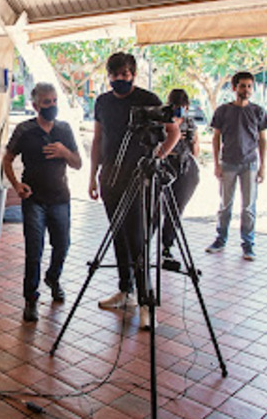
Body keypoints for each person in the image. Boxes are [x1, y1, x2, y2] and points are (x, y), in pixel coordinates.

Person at [88, 52, 180, 330]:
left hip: (139, 179)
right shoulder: (102, 102)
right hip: (110, 179)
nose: (119, 80)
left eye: (125, 75)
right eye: (114, 75)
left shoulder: (148, 99)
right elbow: (97, 138)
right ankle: (125, 290)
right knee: (118, 236)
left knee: (138, 241)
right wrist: (93, 176)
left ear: (133, 74)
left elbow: (173, 131)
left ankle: (145, 301)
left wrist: (158, 156)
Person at [2, 82, 82, 322]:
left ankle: (53, 277)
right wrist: (16, 185)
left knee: (62, 245)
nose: (52, 106)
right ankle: (31, 299)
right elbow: (7, 159)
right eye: (47, 102)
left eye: (55, 101)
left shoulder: (64, 129)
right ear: (36, 105)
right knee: (33, 250)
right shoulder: (25, 130)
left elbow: (78, 163)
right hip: (34, 198)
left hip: (60, 198)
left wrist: (64, 153)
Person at [206, 72, 267, 261]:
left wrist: (262, 166)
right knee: (225, 205)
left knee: (248, 206)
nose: (246, 90)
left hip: (249, 164)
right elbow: (216, 137)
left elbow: (263, 140)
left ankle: (248, 245)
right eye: (242, 86)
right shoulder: (223, 111)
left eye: (249, 86)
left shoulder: (258, 111)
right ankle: (220, 239)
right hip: (228, 163)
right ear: (234, 88)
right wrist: (216, 164)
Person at [160, 89, 200, 261]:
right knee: (159, 205)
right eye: (176, 106)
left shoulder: (190, 122)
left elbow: (196, 151)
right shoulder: (162, 120)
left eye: (183, 107)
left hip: (184, 165)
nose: (179, 110)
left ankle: (167, 245)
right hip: (164, 164)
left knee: (177, 207)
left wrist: (191, 139)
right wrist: (171, 134)